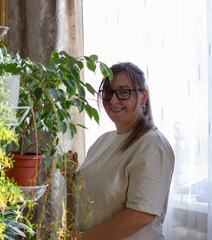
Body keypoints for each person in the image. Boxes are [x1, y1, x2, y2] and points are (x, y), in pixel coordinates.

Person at [64, 62, 175, 239]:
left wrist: (80, 238)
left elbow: (141, 215)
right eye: (108, 93)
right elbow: (94, 200)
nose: (113, 100)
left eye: (124, 92)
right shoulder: (103, 141)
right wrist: (71, 176)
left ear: (143, 97)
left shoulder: (152, 144)